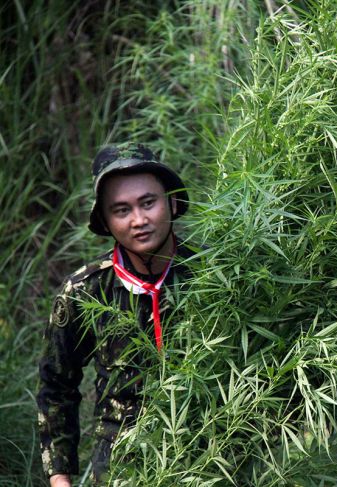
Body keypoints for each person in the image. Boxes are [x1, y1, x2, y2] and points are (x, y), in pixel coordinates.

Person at [37, 143, 193, 486]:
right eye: (121, 210)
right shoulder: (83, 291)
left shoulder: (213, 274)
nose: (138, 220)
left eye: (148, 203)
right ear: (106, 222)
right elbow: (56, 388)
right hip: (122, 463)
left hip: (208, 452)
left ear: (173, 201)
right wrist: (60, 477)